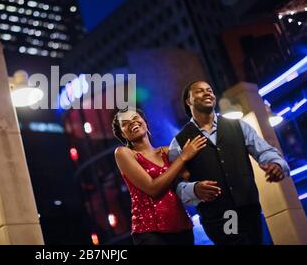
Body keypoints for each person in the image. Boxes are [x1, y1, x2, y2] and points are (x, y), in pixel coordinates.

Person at [168, 80, 290, 245]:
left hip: (250, 210)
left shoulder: (238, 126)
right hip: (222, 217)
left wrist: (276, 164)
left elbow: (265, 151)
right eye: (199, 91)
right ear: (188, 101)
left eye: (209, 90)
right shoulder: (179, 142)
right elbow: (176, 185)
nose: (207, 93)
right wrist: (194, 189)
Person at [112, 108, 207, 245]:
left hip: (183, 228)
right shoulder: (123, 153)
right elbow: (153, 189)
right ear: (122, 134)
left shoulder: (167, 151)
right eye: (125, 123)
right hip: (150, 233)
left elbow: (187, 175)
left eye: (135, 118)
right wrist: (184, 157)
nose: (132, 123)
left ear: (144, 121)